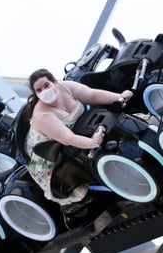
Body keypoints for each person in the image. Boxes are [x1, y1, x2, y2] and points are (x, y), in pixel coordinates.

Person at [23, 69, 132, 205]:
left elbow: (92, 95)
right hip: (54, 158)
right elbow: (68, 139)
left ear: (54, 82)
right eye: (39, 90)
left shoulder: (65, 87)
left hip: (81, 132)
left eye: (46, 85)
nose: (44, 91)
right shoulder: (42, 116)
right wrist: (93, 142)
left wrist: (119, 96)